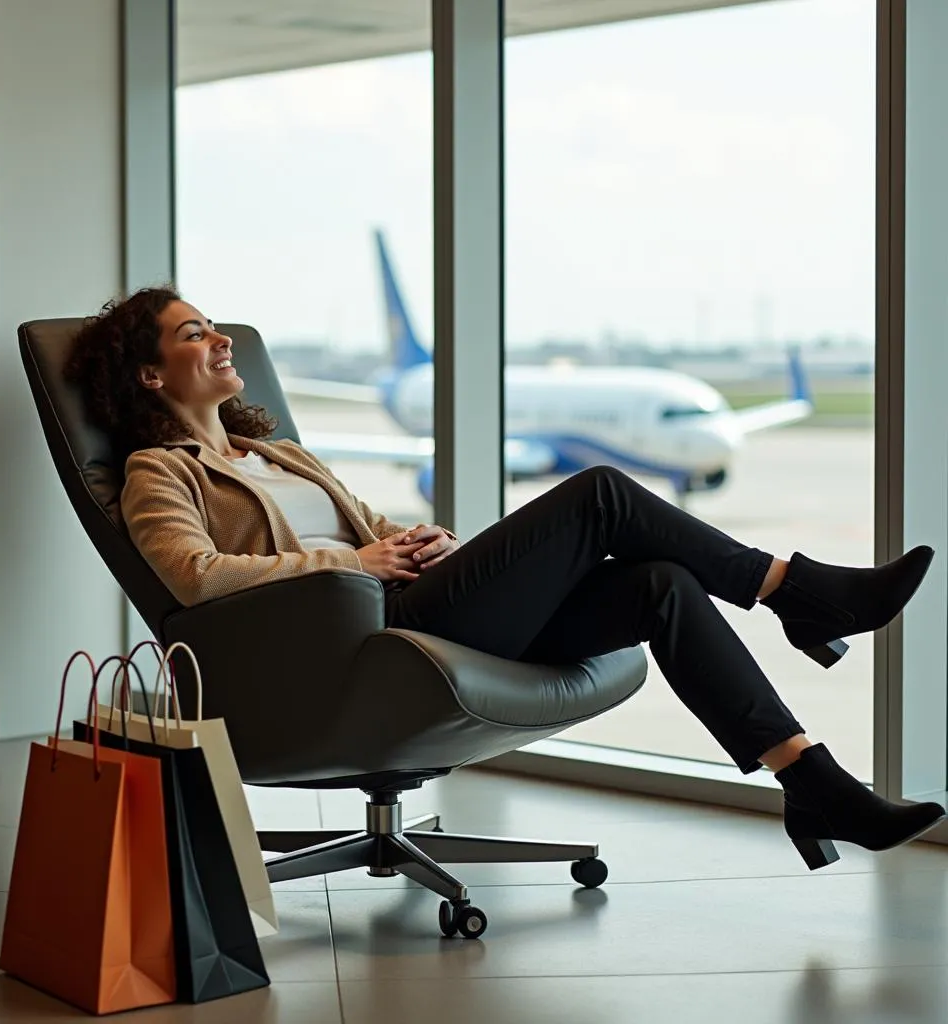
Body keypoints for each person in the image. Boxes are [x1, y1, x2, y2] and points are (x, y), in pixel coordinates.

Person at [66, 286, 945, 871]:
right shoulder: (159, 470)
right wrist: (356, 562)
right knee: (601, 495)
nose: (221, 339)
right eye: (195, 334)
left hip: (405, 601)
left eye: (215, 327)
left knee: (662, 583)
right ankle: (797, 591)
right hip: (357, 641)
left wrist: (412, 541)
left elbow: (369, 530)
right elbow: (190, 577)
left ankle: (811, 783)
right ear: (152, 374)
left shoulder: (277, 452)